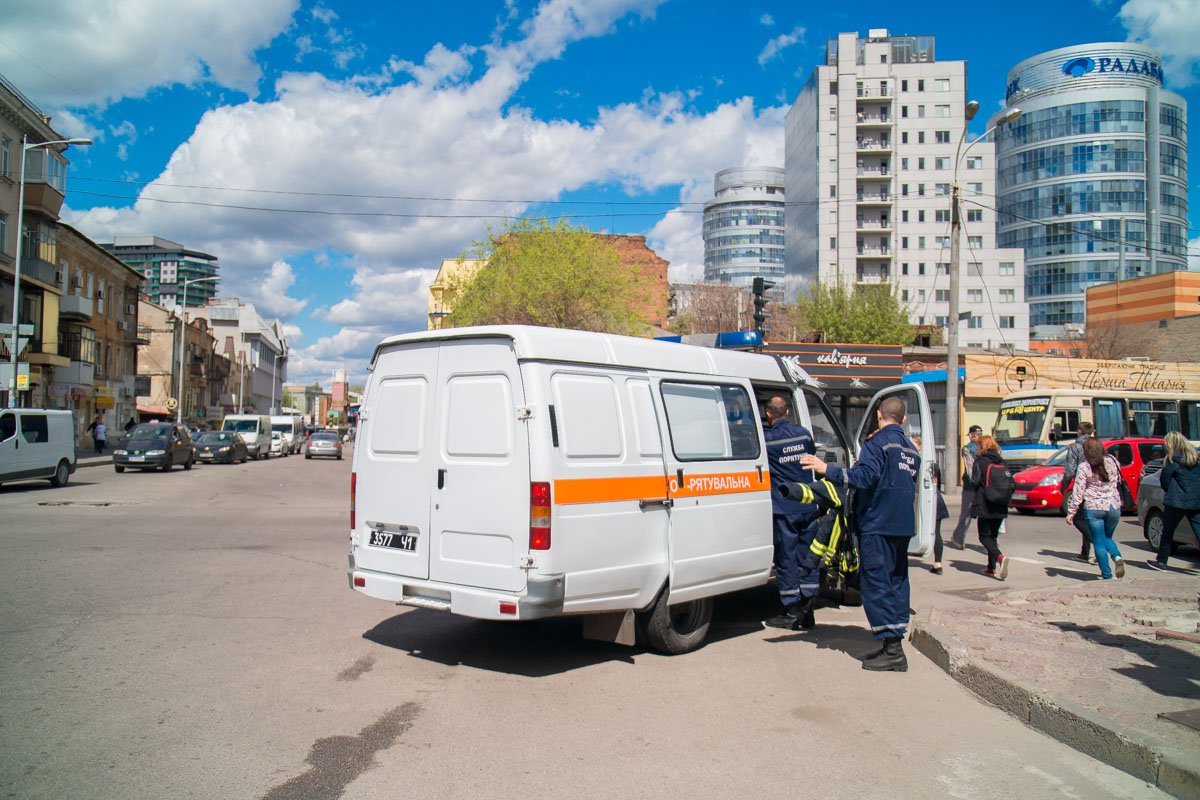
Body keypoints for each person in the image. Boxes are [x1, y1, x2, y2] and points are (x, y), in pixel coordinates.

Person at [800, 396, 919, 672]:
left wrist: (825, 469)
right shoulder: (910, 448)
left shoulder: (877, 444)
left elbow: (864, 478)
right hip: (902, 526)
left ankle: (892, 651)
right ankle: (894, 639)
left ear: (879, 415)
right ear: (902, 419)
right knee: (897, 582)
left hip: (878, 524)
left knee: (876, 584)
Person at [761, 396, 820, 631]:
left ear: (768, 414)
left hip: (785, 508)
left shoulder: (767, 440)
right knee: (809, 558)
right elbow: (812, 455)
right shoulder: (804, 434)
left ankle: (791, 611)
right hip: (808, 504)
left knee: (787, 559)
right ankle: (808, 611)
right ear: (787, 412)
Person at [1065, 437, 1125, 580]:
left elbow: (1078, 491)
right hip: (1113, 506)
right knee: (1107, 537)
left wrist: (1071, 512)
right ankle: (1117, 557)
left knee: (1098, 541)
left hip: (1093, 507)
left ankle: (1107, 574)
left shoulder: (1084, 467)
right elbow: (1117, 481)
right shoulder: (1113, 461)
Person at [1146, 431, 1200, 570]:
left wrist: (1169, 491)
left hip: (1176, 501)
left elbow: (1164, 480)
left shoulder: (1171, 460)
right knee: (1199, 531)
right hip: (1195, 500)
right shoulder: (1195, 458)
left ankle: (1161, 562)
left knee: (1168, 532)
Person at [969, 435, 1011, 580]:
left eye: (978, 446)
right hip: (1001, 505)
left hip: (985, 504)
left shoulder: (980, 462)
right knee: (993, 536)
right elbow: (1012, 483)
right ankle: (991, 568)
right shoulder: (1002, 462)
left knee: (984, 537)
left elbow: (974, 482)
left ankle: (1000, 558)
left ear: (982, 447)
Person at [913, 434, 949, 574]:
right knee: (935, 532)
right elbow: (937, 482)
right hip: (935, 498)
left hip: (923, 499)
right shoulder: (932, 462)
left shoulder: (917, 460)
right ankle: (937, 564)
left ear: (921, 447)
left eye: (914, 445)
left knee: (934, 531)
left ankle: (938, 563)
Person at [1061, 422, 1096, 563]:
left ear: (1080, 431)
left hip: (1082, 485)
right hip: (1097, 486)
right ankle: (1085, 551)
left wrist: (1063, 486)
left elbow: (1070, 470)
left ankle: (1098, 543)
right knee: (1086, 518)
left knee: (1077, 518)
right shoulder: (1097, 445)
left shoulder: (1076, 447)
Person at [948, 425, 983, 549]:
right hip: (986, 486)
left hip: (971, 486)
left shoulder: (968, 448)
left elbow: (970, 469)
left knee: (966, 513)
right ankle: (992, 545)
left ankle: (959, 540)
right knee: (987, 514)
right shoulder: (990, 446)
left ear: (972, 435)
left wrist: (974, 482)